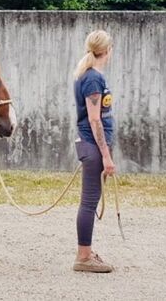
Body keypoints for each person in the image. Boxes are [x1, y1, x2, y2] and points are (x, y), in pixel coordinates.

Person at [72, 30, 115, 273]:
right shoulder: (92, 79)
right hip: (92, 146)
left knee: (90, 201)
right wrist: (106, 156)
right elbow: (95, 120)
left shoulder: (91, 76)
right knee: (89, 203)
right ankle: (83, 256)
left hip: (92, 146)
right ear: (107, 50)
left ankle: (86, 253)